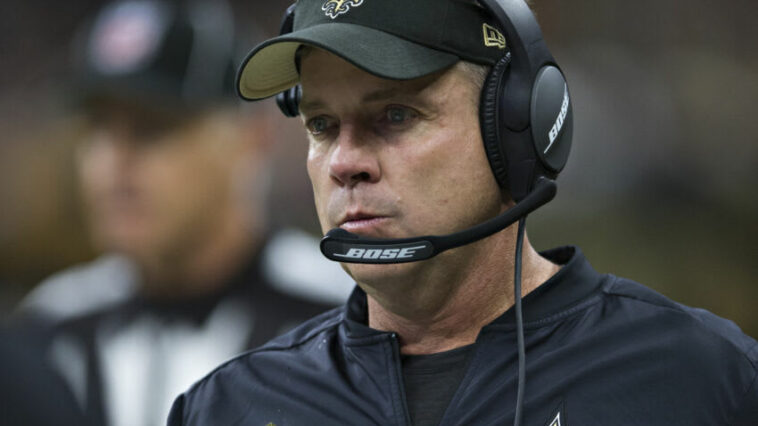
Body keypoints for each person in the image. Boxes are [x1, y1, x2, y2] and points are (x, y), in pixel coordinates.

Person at [169, 0, 758, 425]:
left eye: (395, 115)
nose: (344, 162)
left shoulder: (703, 378)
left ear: (516, 127)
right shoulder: (226, 406)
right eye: (322, 125)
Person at [14, 1, 353, 426]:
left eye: (154, 127)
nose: (112, 163)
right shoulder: (51, 325)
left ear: (254, 137)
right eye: (98, 128)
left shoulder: (340, 312)